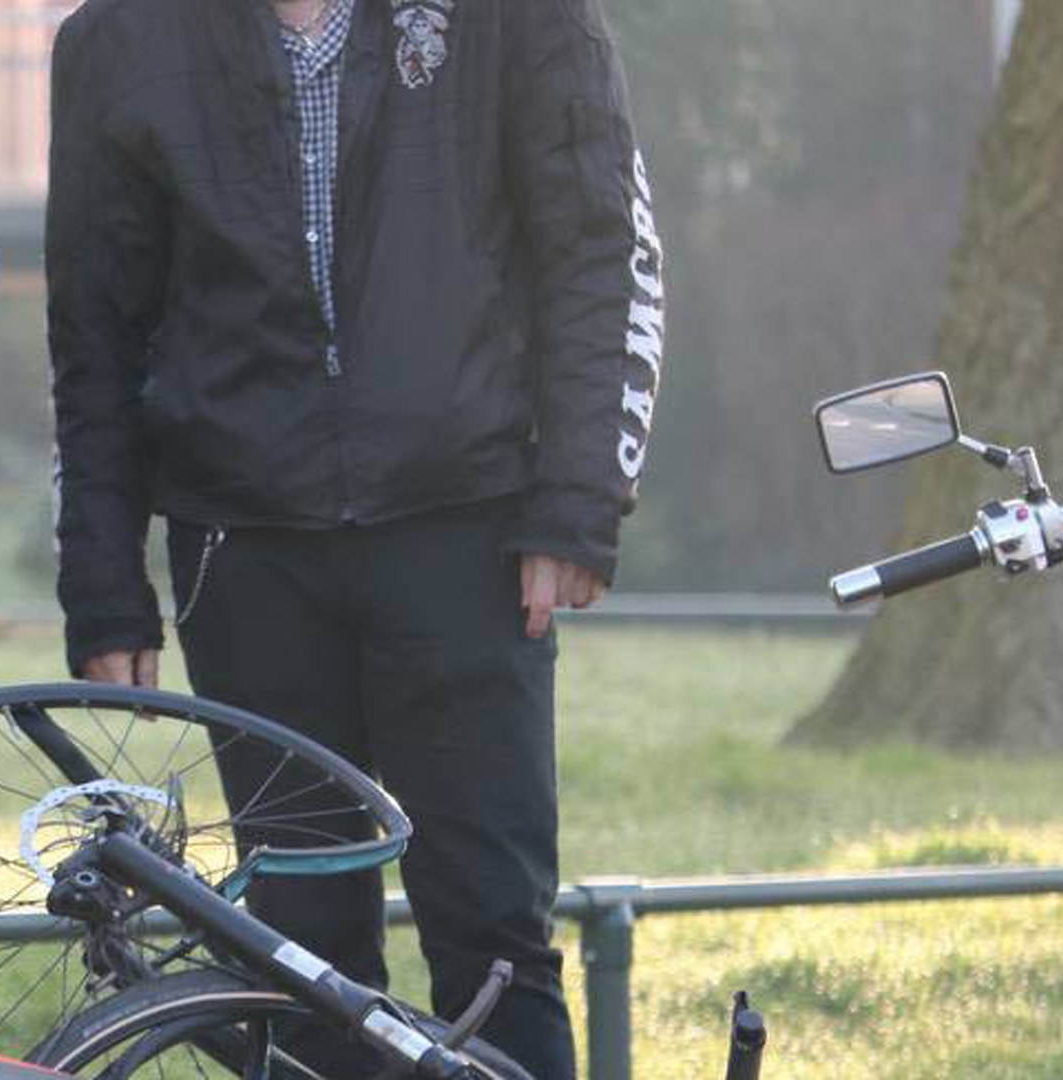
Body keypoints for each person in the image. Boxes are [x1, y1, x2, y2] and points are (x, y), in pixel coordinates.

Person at [44, 0, 664, 1076]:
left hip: (467, 534)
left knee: (494, 933)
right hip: (244, 550)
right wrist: (104, 579)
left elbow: (597, 251)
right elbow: (92, 327)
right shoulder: (118, 39)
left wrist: (575, 503)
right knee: (296, 947)